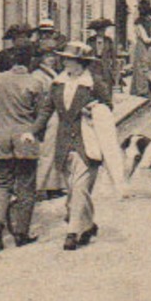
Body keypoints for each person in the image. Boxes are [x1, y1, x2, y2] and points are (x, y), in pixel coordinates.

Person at [0, 42, 52, 249]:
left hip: (3, 139)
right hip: (25, 139)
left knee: (3, 184)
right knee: (25, 187)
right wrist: (36, 133)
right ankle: (21, 233)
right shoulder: (35, 83)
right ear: (31, 61)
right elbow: (42, 114)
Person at [47, 42, 107, 252]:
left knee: (81, 188)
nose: (64, 62)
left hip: (86, 142)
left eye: (69, 59)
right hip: (63, 143)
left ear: (80, 63)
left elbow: (108, 107)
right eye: (64, 59)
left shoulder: (94, 83)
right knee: (73, 191)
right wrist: (31, 132)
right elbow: (46, 110)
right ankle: (88, 225)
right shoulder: (57, 83)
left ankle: (72, 233)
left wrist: (95, 109)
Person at [129, 0, 151, 97]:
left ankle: (150, 88)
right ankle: (141, 89)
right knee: (141, 67)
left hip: (150, 45)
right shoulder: (139, 22)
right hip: (143, 45)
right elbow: (145, 39)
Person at [86, 19, 117, 106]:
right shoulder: (90, 40)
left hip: (105, 66)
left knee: (107, 84)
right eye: (99, 30)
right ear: (96, 31)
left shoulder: (108, 40)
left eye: (103, 30)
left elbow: (113, 55)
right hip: (93, 65)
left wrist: (114, 67)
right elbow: (87, 53)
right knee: (94, 85)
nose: (102, 32)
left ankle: (107, 104)